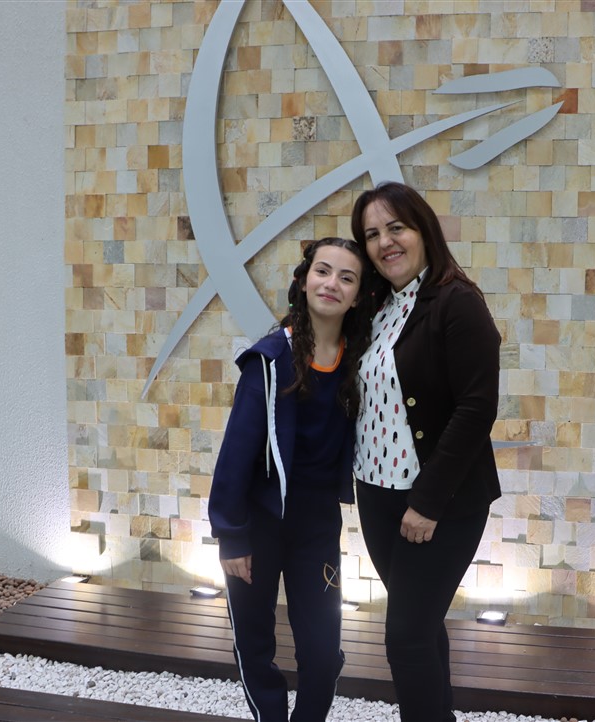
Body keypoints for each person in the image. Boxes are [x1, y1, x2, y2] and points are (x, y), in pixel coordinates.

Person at [350, 182, 502, 722]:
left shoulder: (458, 302)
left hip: (438, 504)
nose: (385, 242)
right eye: (372, 234)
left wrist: (428, 502)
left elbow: (477, 409)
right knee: (421, 624)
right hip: (377, 495)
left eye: (396, 228)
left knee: (406, 637)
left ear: (423, 230)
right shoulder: (377, 306)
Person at [208, 237, 372, 722]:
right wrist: (231, 535)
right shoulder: (268, 360)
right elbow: (235, 454)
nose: (332, 283)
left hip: (316, 526)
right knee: (254, 642)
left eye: (347, 277)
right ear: (303, 282)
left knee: (323, 650)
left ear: (357, 296)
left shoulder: (359, 362)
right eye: (323, 271)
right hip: (257, 524)